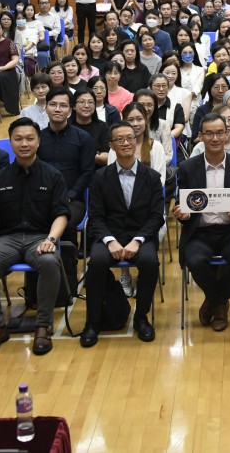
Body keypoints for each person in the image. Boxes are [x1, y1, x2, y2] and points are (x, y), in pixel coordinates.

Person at [0, 118, 71, 356]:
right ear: (11, 143)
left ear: (39, 142)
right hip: (7, 239)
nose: (24, 143)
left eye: (30, 139)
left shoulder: (53, 175)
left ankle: (43, 325)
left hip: (40, 237)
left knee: (49, 262)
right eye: (18, 139)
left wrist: (51, 240)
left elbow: (62, 214)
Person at [80, 121, 164, 346]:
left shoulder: (152, 178)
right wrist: (110, 241)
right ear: (111, 145)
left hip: (141, 236)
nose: (126, 143)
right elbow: (95, 217)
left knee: (149, 262)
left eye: (130, 138)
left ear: (136, 141)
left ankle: (141, 317)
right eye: (120, 140)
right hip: (110, 235)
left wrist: (137, 240)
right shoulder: (99, 178)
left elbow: (156, 217)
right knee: (96, 262)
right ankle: (93, 322)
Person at [173, 113, 230, 332]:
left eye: (219, 133)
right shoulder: (187, 168)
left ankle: (213, 301)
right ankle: (220, 304)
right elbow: (182, 204)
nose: (214, 138)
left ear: (226, 133)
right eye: (209, 133)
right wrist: (181, 214)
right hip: (200, 232)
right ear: (200, 136)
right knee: (194, 261)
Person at [37, 87, 96, 235]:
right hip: (41, 197)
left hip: (73, 199)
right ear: (45, 107)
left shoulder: (83, 138)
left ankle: (69, 258)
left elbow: (87, 172)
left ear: (70, 110)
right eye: (53, 104)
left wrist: (70, 195)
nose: (57, 109)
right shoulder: (37, 138)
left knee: (66, 223)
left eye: (63, 105)